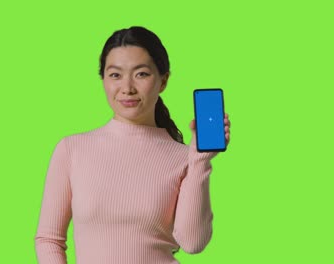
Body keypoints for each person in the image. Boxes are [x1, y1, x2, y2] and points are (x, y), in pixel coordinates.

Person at [34, 26, 231, 264]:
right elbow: (49, 239)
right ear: (103, 79)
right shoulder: (71, 150)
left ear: (163, 81)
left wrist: (200, 159)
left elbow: (192, 242)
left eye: (141, 74)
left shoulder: (185, 158)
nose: (127, 88)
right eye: (115, 75)